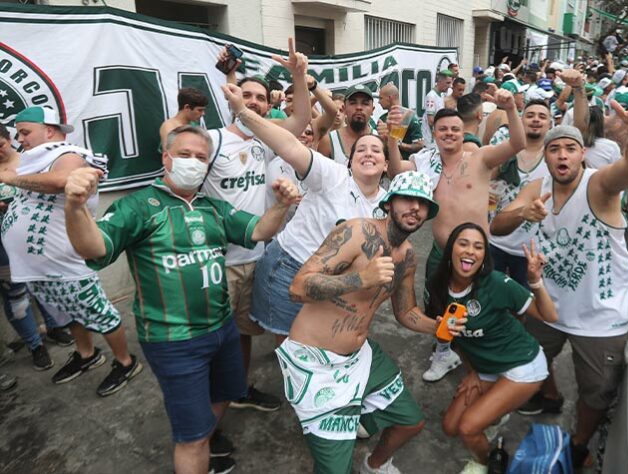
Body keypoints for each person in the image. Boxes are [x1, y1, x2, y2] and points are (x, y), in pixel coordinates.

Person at [63, 125, 299, 474]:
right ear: (166, 158)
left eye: (201, 157)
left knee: (225, 394)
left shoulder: (213, 207)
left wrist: (281, 205)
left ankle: (206, 436)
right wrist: (75, 206)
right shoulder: (138, 207)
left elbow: (259, 231)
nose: (193, 162)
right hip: (173, 339)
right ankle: (201, 443)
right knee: (190, 440)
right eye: (184, 155)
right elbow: (94, 248)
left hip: (223, 329)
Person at [491, 98, 628, 467]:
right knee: (534, 358)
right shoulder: (536, 188)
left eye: (570, 148)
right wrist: (523, 211)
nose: (562, 155)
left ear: (582, 154)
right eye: (554, 149)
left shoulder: (600, 186)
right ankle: (550, 397)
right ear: (546, 157)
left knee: (596, 391)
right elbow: (497, 225)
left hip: (600, 317)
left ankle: (580, 441)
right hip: (549, 304)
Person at [281, 170, 464, 474]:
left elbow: (406, 313)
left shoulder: (407, 256)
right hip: (315, 362)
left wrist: (439, 326)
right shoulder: (355, 232)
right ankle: (351, 423)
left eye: (423, 204)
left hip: (359, 357)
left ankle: (374, 464)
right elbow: (298, 288)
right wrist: (361, 278)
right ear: (389, 203)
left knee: (411, 421)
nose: (415, 208)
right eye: (407, 199)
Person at [218, 84, 388, 341]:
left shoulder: (386, 204)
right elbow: (288, 145)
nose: (368, 153)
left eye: (376, 150)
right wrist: (242, 111)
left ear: (386, 164)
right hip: (290, 268)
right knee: (293, 347)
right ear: (349, 161)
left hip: (334, 281)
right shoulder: (333, 174)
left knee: (321, 341)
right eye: (360, 149)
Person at [202, 39, 312, 412]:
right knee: (212, 341)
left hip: (257, 255)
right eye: (245, 95)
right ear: (235, 97)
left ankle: (239, 390)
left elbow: (300, 121)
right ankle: (207, 411)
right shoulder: (213, 140)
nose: (252, 101)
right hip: (218, 262)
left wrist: (299, 76)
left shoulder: (267, 143)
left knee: (245, 334)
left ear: (269, 105)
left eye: (260, 97)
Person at [387, 89, 526, 382]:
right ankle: (444, 352)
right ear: (434, 134)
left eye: (455, 129)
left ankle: (486, 357)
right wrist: (391, 138)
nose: (449, 134)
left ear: (464, 132)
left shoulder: (480, 158)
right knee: (439, 304)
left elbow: (517, 142)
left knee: (482, 305)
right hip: (441, 251)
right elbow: (396, 169)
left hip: (477, 251)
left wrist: (511, 108)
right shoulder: (426, 161)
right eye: (442, 130)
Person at [2, 106, 139, 397]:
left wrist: (9, 178)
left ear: (49, 130)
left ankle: (126, 362)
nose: (20, 138)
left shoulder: (67, 154)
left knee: (101, 315)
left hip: (66, 263)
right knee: (71, 313)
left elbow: (61, 181)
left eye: (25, 132)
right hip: (41, 267)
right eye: (18, 133)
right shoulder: (33, 161)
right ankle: (87, 355)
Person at [435, 224, 558, 474]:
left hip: (522, 364)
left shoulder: (497, 283)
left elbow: (549, 315)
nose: (470, 251)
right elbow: (459, 340)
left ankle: (486, 462)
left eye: (478, 247)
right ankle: (495, 411)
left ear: (484, 256)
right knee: (449, 426)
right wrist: (473, 372)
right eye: (463, 243)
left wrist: (535, 281)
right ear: (450, 249)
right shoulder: (438, 286)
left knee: (468, 428)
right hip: (487, 368)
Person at [0, 124, 73, 371]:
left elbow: (52, 190)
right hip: (3, 245)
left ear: (9, 139)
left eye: (0, 145)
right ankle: (34, 345)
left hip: (35, 236)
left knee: (42, 281)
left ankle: (55, 327)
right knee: (16, 295)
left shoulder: (30, 161)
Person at [489, 99, 551, 287]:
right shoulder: (505, 151)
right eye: (530, 115)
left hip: (531, 249)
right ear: (521, 120)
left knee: (524, 305)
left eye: (542, 116)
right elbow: (482, 177)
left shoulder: (553, 157)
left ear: (550, 124)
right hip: (494, 240)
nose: (536, 120)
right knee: (489, 297)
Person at [318, 84, 377, 165]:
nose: (359, 107)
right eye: (353, 103)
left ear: (372, 109)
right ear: (344, 108)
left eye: (365, 103)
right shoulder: (328, 141)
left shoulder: (381, 139)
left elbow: (393, 174)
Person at [378, 83, 424, 160]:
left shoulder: (409, 117)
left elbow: (419, 145)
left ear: (390, 98)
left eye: (381, 98)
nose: (379, 102)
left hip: (407, 165)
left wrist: (396, 143)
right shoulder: (382, 118)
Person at [422, 70, 453, 148]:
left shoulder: (441, 95)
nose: (450, 86)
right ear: (440, 81)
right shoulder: (431, 96)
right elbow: (431, 120)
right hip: (430, 140)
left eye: (451, 83)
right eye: (448, 83)